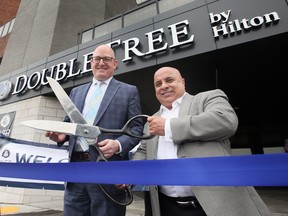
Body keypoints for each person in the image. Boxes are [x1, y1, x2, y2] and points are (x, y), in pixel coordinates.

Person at [132, 67, 271, 216]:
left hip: (215, 207)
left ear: (183, 82)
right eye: (158, 84)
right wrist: (128, 176)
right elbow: (143, 152)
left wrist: (168, 127)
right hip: (166, 206)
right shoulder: (150, 122)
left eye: (169, 80)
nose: (164, 86)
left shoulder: (208, 98)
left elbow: (226, 121)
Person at [45, 44, 143, 216]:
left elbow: (137, 128)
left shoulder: (129, 91)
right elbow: (70, 124)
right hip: (75, 171)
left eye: (107, 59)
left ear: (115, 64)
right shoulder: (76, 92)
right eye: (97, 59)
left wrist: (118, 144)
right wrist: (63, 136)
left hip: (108, 171)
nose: (101, 63)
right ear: (91, 63)